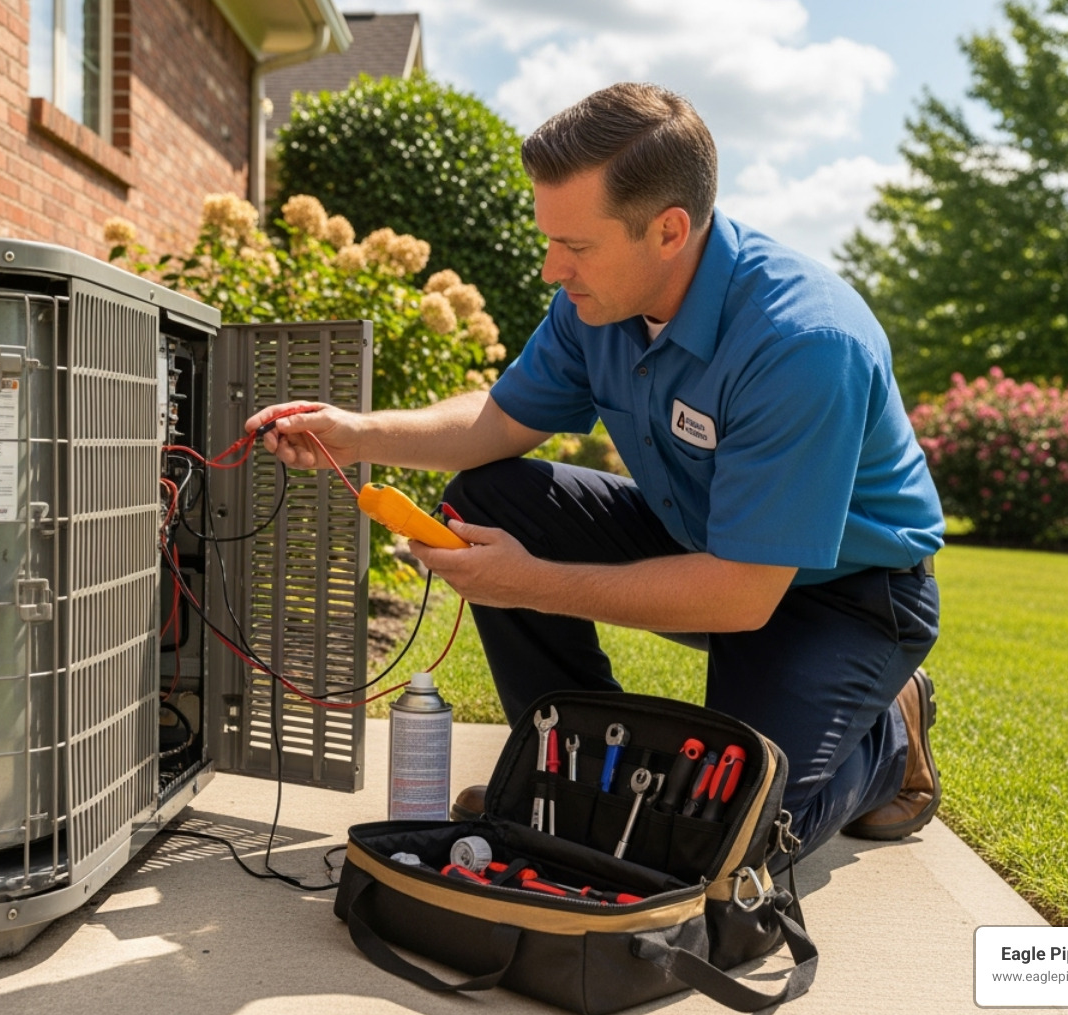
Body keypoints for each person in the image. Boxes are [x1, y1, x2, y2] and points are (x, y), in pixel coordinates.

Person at [245, 82, 944, 860]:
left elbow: (741, 594)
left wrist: (527, 581)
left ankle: (888, 737)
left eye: (574, 246)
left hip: (843, 598)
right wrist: (356, 433)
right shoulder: (596, 306)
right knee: (491, 497)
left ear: (669, 230)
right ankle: (572, 776)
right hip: (703, 539)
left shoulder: (804, 343)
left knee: (720, 841)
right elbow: (501, 422)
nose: (552, 269)